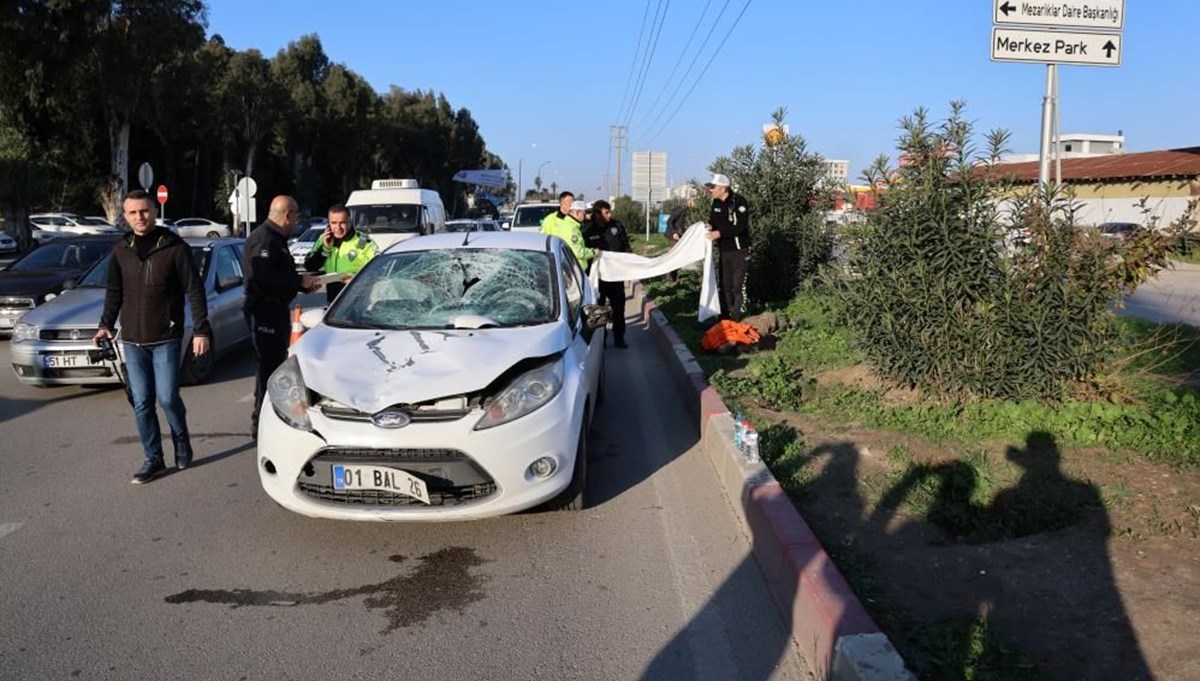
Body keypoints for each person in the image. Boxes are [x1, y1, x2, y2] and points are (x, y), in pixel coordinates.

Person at [94, 190, 211, 484]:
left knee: (168, 398)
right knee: (143, 402)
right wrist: (105, 324)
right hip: (132, 340)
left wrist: (201, 330)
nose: (139, 217)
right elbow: (114, 292)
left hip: (166, 337)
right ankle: (153, 458)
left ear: (153, 211)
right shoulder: (121, 249)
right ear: (125, 215)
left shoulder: (174, 247)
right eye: (132, 213)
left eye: (144, 211)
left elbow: (194, 290)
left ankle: (181, 441)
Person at [243, 195, 319, 440]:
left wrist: (303, 284)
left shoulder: (277, 238)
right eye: (296, 215)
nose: (297, 221)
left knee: (275, 365)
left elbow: (279, 274)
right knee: (269, 369)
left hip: (275, 309)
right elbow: (264, 279)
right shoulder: (265, 239)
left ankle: (272, 419)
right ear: (288, 215)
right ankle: (262, 424)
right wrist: (298, 281)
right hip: (264, 311)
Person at [303, 204, 378, 303]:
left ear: (350, 222)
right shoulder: (324, 239)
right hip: (333, 299)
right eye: (333, 223)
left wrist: (357, 279)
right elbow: (310, 266)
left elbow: (378, 270)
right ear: (329, 223)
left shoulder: (363, 241)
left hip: (356, 297)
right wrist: (326, 248)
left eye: (342, 223)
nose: (338, 227)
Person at [583, 199, 631, 348]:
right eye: (606, 212)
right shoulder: (588, 230)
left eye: (610, 212)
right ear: (597, 214)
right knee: (598, 310)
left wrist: (629, 264)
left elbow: (626, 247)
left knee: (619, 308)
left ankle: (619, 338)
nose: (609, 215)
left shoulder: (616, 226)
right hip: (598, 278)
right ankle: (600, 341)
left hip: (616, 275)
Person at [705, 173, 751, 321]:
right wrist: (709, 226)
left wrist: (719, 233)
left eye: (713, 187)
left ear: (723, 188)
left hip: (740, 251)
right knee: (725, 285)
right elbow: (713, 221)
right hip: (724, 251)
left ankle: (737, 318)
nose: (711, 190)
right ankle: (724, 317)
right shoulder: (716, 203)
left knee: (737, 286)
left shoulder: (739, 202)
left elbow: (740, 227)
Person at [541, 195, 593, 271]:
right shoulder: (550, 219)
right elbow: (543, 237)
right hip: (560, 262)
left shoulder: (574, 222)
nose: (572, 204)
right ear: (562, 203)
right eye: (570, 202)